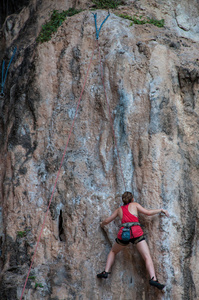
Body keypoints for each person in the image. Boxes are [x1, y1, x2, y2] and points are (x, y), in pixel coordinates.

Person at [97, 191, 169, 290]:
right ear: (132, 199)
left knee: (113, 251)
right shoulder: (135, 205)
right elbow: (148, 213)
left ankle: (106, 271)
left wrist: (101, 223)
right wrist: (161, 210)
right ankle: (153, 279)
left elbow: (107, 220)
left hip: (124, 234)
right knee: (147, 257)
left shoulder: (119, 210)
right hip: (136, 232)